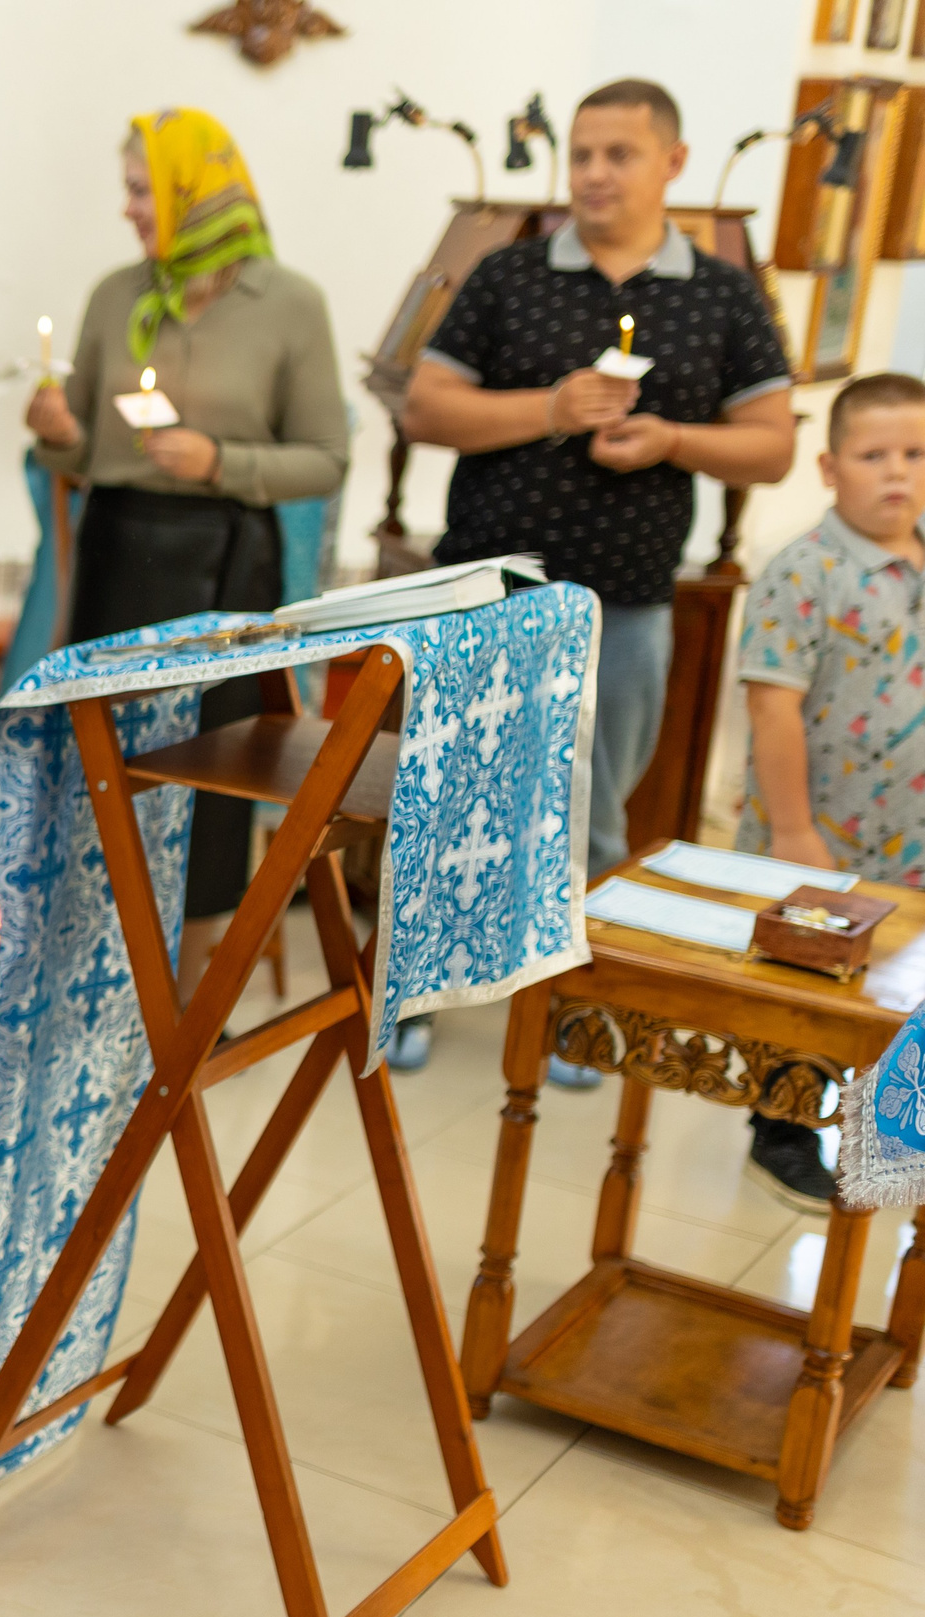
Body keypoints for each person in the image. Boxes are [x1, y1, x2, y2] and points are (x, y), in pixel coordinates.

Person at [400, 77, 795, 1076]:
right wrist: (549, 409)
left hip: (624, 601)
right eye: (580, 154)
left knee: (596, 816)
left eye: (618, 154)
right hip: (485, 593)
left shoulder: (722, 293)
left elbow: (772, 446)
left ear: (672, 162)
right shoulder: (509, 272)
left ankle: (575, 1017)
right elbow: (426, 409)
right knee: (448, 796)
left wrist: (670, 438)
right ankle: (417, 995)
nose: (592, 174)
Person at [25, 108, 348, 1006]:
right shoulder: (113, 295)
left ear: (193, 192)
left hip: (226, 564)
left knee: (210, 781)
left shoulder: (290, 304)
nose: (129, 209)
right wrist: (54, 431)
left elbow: (326, 458)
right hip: (120, 551)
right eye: (129, 190)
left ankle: (185, 999)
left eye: (143, 190)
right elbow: (81, 450)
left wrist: (221, 462)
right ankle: (96, 975)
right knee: (105, 770)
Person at [730, 372, 925, 1209]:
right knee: (805, 990)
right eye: (874, 455)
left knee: (896, 986)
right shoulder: (804, 570)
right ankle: (780, 1129)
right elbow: (772, 706)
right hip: (818, 831)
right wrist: (792, 830)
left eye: (916, 453)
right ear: (829, 467)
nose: (898, 471)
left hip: (909, 833)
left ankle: (887, 1138)